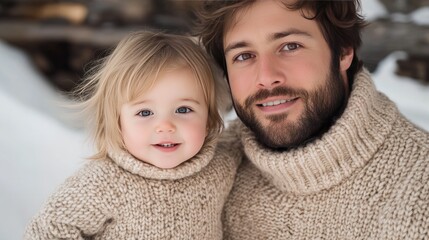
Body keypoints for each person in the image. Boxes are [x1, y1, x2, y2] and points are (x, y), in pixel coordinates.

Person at [196, 0, 429, 239]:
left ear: (343, 52)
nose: (266, 77)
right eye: (243, 56)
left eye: (290, 46)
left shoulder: (419, 191)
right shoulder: (202, 171)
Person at [24, 30, 239, 239]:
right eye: (145, 112)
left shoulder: (221, 165)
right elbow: (48, 230)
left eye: (183, 110)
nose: (165, 126)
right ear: (117, 122)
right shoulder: (105, 182)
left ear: (209, 119)